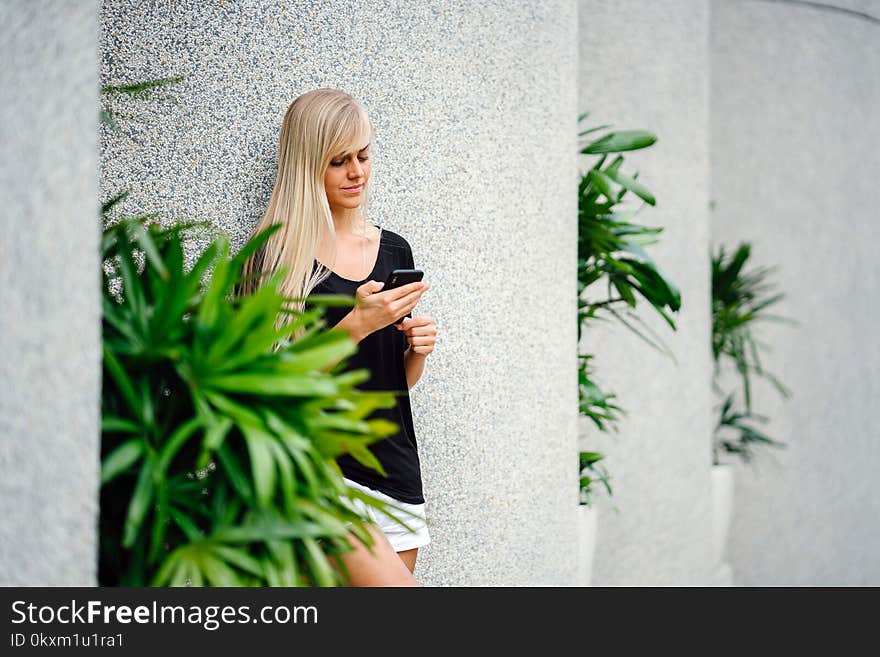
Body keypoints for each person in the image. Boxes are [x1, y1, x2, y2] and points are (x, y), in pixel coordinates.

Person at [239, 88, 437, 586]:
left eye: (364, 156)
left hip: (393, 466)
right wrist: (354, 326)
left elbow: (391, 386)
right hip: (318, 473)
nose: (357, 173)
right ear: (307, 165)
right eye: (338, 161)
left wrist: (417, 352)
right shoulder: (274, 261)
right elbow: (264, 390)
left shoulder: (394, 249)